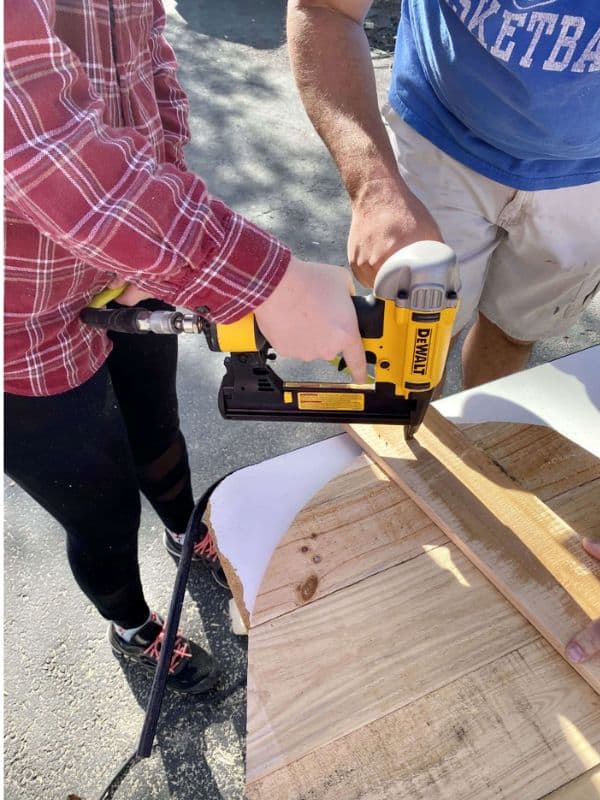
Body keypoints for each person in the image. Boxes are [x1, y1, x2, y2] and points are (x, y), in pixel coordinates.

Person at [4, 0, 368, 695]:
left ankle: (185, 532)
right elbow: (37, 145)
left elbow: (148, 65)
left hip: (127, 263)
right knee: (98, 503)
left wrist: (159, 236)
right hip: (15, 314)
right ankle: (134, 625)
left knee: (157, 426)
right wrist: (273, 285)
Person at [286, 0, 600, 661]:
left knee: (515, 330)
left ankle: (482, 443)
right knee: (411, 345)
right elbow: (323, 7)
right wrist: (372, 183)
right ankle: (408, 448)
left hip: (589, 174)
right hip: (439, 139)